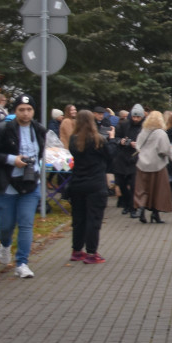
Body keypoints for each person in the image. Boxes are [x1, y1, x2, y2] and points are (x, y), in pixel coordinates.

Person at [0, 94, 46, 278]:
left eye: (29, 110)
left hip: (30, 185)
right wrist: (11, 160)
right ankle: (5, 243)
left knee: (26, 224)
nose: (25, 113)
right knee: (6, 225)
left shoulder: (39, 130)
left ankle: (22, 263)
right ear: (15, 111)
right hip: (6, 184)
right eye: (21, 110)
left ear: (34, 111)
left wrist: (37, 168)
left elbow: (40, 154)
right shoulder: (1, 129)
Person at [67, 110, 113, 264]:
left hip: (77, 184)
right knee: (93, 219)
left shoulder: (73, 140)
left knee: (79, 219)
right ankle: (92, 253)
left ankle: (77, 250)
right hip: (95, 184)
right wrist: (111, 139)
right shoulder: (98, 140)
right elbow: (110, 156)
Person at [133, 110, 172, 223]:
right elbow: (164, 150)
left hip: (142, 164)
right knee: (158, 190)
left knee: (142, 189)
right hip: (158, 165)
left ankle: (141, 209)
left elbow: (138, 146)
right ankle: (155, 214)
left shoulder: (143, 132)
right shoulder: (161, 133)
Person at [113, 104, 144, 217]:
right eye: (134, 117)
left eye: (138, 117)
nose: (135, 119)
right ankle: (126, 204)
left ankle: (133, 207)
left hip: (136, 159)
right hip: (122, 158)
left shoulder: (144, 127)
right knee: (121, 184)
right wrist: (123, 142)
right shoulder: (124, 124)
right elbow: (116, 138)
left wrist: (139, 145)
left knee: (134, 185)